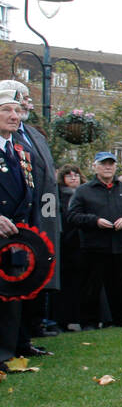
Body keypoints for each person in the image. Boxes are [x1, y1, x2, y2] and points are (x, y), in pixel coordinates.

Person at [67, 151, 122, 328]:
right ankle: (89, 322)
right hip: (94, 247)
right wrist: (95, 221)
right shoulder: (83, 191)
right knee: (91, 288)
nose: (108, 167)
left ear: (116, 166)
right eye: (103, 164)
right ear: (95, 166)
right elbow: (72, 216)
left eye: (111, 164)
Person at [0, 86, 38, 369]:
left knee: (14, 296)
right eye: (6, 110)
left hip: (17, 237)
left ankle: (11, 349)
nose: (14, 116)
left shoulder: (21, 151)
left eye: (17, 110)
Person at [53, 165, 85, 330]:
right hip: (66, 243)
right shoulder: (57, 196)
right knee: (66, 284)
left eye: (76, 175)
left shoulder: (84, 193)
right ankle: (62, 319)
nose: (73, 178)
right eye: (69, 175)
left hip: (83, 244)